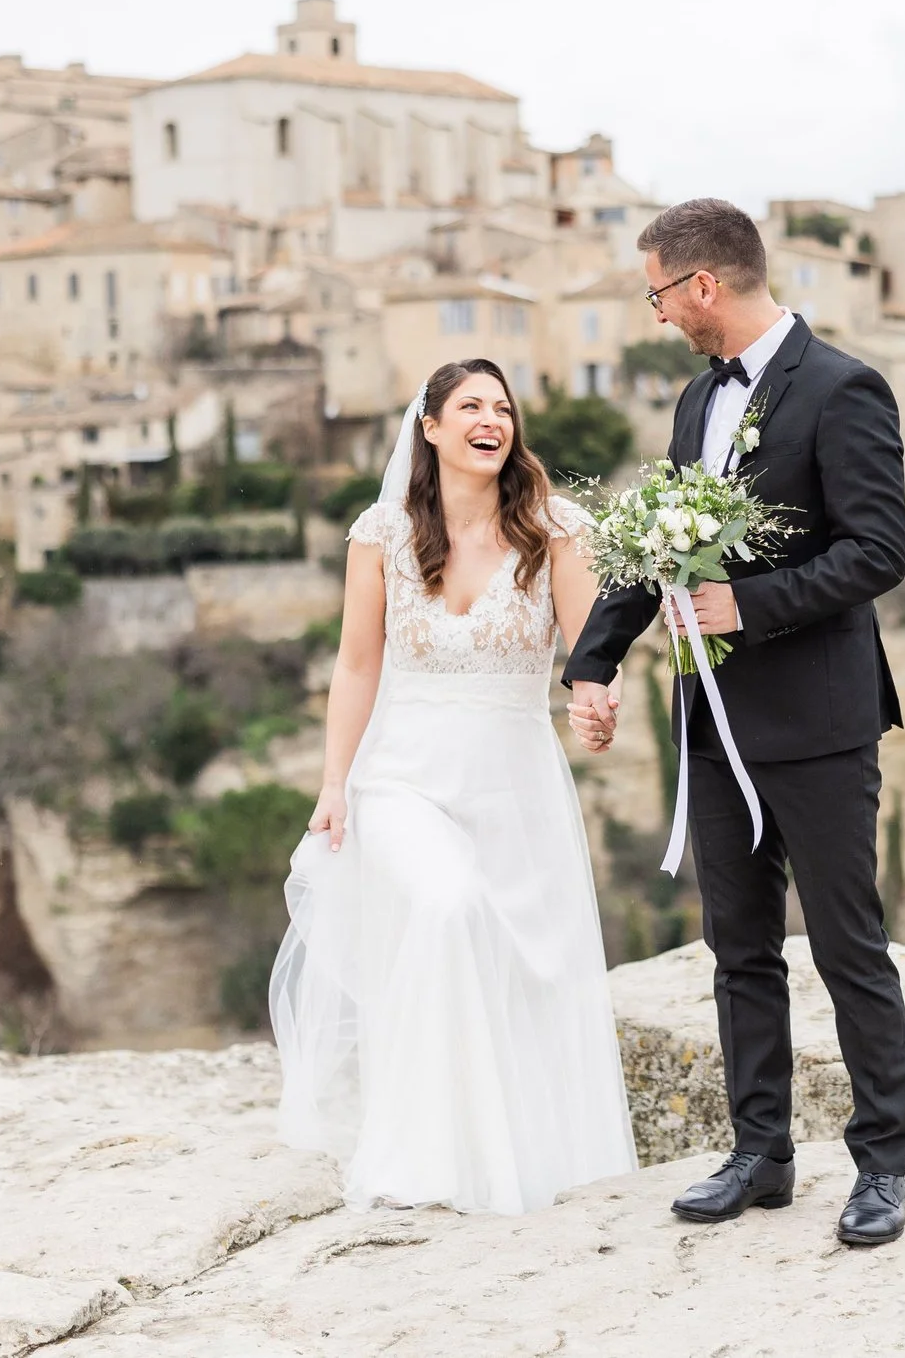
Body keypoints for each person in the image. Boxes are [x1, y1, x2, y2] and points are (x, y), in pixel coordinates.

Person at [565, 197, 905, 1248]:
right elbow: (660, 547)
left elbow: (877, 549)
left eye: (660, 294)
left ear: (703, 285)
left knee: (849, 944)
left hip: (816, 718)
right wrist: (592, 656)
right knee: (738, 946)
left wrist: (748, 605)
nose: (660, 315)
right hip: (708, 722)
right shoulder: (693, 402)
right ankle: (760, 1150)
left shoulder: (845, 387)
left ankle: (882, 1164)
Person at [268, 358, 636, 1215]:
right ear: (429, 426)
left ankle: (513, 1156)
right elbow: (358, 664)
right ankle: (422, 1155)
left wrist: (599, 705)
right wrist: (334, 782)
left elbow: (590, 657)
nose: (491, 418)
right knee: (443, 906)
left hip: (514, 783)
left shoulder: (559, 530)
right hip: (401, 778)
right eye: (470, 405)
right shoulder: (382, 535)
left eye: (503, 406)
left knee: (518, 968)